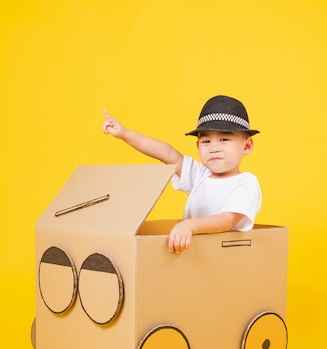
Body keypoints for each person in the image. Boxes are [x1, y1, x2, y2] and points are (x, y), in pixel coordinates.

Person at [102, 95, 261, 255]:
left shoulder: (246, 182)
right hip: (195, 257)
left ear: (246, 146)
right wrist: (125, 134)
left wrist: (190, 226)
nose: (214, 148)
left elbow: (228, 220)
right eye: (206, 141)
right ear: (198, 146)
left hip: (226, 258)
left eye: (224, 139)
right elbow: (167, 153)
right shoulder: (200, 175)